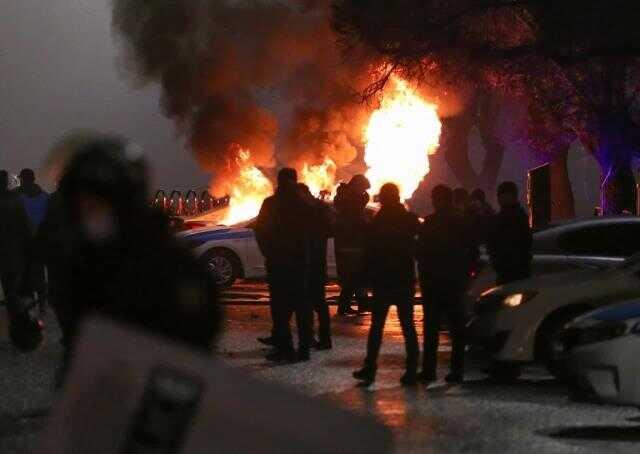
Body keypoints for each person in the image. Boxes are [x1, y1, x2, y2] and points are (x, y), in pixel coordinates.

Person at [55, 137, 221, 365]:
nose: (85, 213)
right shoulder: (86, 257)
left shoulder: (172, 265)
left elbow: (198, 341)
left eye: (96, 202)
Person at [353, 183, 420, 386]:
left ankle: (370, 368)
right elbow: (418, 245)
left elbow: (369, 252)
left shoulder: (377, 221)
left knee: (377, 327)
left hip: (383, 281)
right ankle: (411, 370)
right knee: (408, 326)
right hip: (403, 279)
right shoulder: (409, 219)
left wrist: (364, 279)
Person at [417, 185, 478, 384]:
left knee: (432, 328)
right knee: (456, 329)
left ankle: (429, 370)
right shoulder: (461, 223)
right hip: (454, 282)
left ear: (436, 200)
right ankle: (456, 370)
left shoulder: (431, 223)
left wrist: (425, 276)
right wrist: (466, 275)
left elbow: (420, 253)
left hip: (434, 283)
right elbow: (472, 252)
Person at [255, 168, 314, 362]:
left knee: (280, 310)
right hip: (299, 263)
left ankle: (286, 348)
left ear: (279, 181)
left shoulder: (271, 204)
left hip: (279, 264)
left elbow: (260, 232)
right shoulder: (304, 204)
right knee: (302, 308)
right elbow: (320, 227)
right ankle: (304, 350)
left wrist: (270, 253)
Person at [0, 170, 41, 350]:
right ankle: (20, 329)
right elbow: (27, 229)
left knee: (12, 295)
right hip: (12, 255)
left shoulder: (13, 201)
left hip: (9, 255)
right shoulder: (14, 202)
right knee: (13, 295)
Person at [299, 183, 333, 350]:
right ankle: (323, 339)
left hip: (308, 264)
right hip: (318, 263)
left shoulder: (307, 211)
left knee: (308, 303)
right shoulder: (322, 209)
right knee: (319, 303)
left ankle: (309, 339)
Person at [333, 175, 370, 316]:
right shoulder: (349, 201)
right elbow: (358, 218)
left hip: (350, 243)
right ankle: (346, 306)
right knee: (353, 276)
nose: (364, 192)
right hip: (350, 244)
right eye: (363, 189)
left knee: (355, 276)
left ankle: (358, 304)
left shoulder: (346, 198)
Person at [488, 182, 533, 285]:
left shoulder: (516, 217)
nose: (500, 199)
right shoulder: (519, 216)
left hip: (513, 271)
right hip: (513, 270)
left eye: (502, 196)